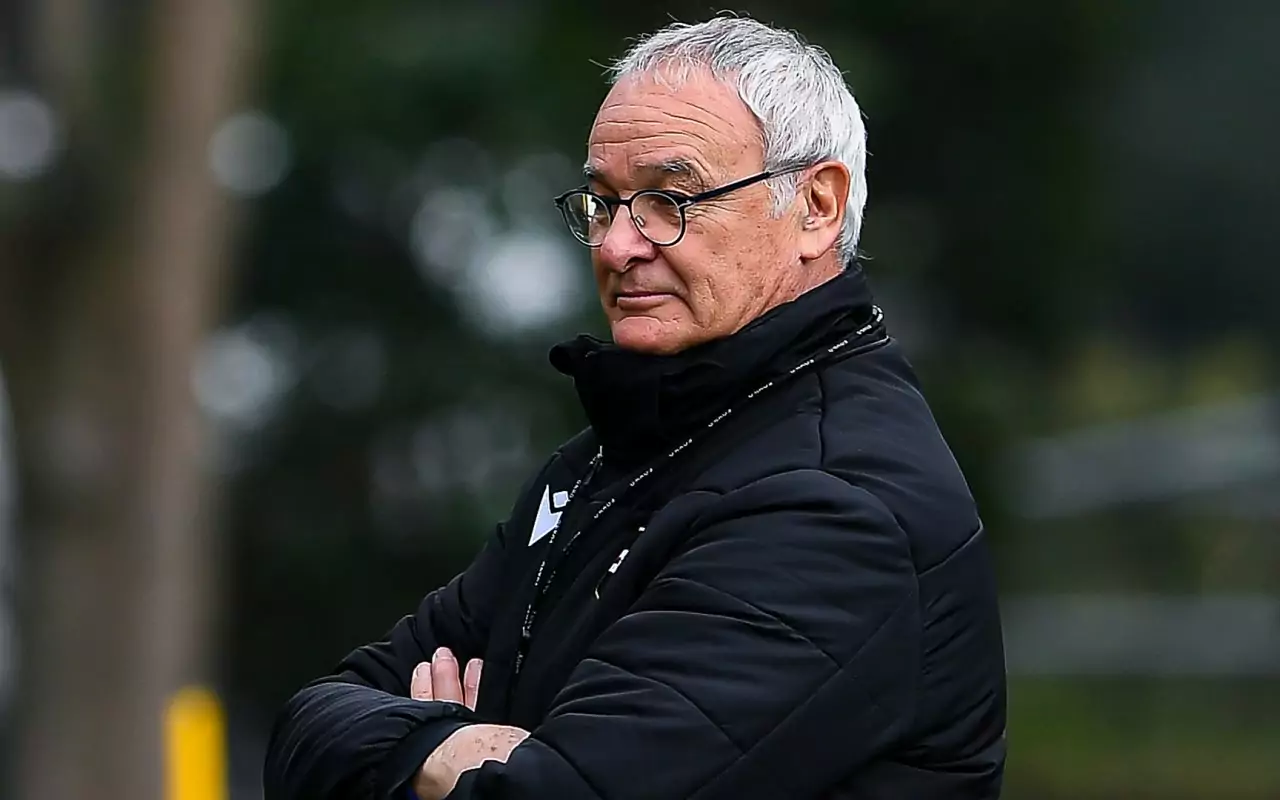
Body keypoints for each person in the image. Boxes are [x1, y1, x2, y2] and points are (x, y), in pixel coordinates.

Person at [263, 14, 1006, 800]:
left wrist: (417, 754)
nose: (618, 246)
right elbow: (308, 726)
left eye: (670, 199)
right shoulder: (610, 458)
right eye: (603, 202)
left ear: (816, 207)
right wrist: (448, 750)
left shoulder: (833, 505)